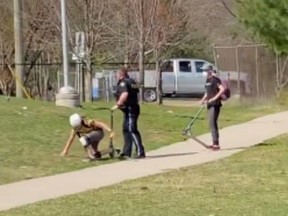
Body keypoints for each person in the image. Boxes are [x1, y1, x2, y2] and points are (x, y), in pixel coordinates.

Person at [111, 68, 146, 159]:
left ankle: (140, 152)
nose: (116, 76)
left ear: (120, 74)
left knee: (131, 129)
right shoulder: (132, 81)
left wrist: (118, 104)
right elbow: (138, 88)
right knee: (126, 129)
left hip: (131, 108)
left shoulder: (123, 82)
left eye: (117, 74)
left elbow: (125, 94)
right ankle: (126, 152)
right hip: (131, 108)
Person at [200, 64, 225, 150]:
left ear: (210, 70)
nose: (204, 72)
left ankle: (216, 144)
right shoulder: (207, 80)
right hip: (209, 104)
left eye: (205, 70)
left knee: (212, 122)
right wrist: (203, 99)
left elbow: (222, 89)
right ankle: (214, 142)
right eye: (203, 70)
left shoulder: (215, 79)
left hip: (215, 104)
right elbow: (207, 92)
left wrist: (214, 98)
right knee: (211, 123)